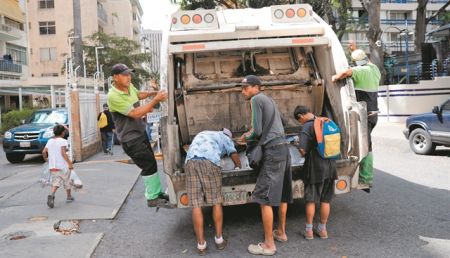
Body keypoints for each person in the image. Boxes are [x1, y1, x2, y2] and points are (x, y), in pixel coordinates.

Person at [237, 75, 292, 256]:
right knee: (283, 193)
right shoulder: (269, 100)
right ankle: (281, 233)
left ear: (255, 87)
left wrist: (245, 136)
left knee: (263, 197)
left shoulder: (255, 100)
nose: (243, 91)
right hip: (284, 147)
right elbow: (283, 122)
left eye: (245, 88)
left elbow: (257, 131)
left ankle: (269, 245)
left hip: (273, 150)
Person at [107, 63, 169, 207]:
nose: (128, 77)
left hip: (139, 133)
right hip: (130, 138)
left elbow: (139, 94)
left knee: (151, 163)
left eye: (129, 74)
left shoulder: (129, 87)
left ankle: (157, 193)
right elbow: (135, 114)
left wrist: (154, 93)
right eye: (124, 75)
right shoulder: (113, 96)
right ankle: (152, 198)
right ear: (115, 77)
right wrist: (156, 100)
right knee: (148, 165)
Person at [185, 129, 241, 255]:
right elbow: (234, 154)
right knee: (216, 202)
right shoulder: (226, 138)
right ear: (229, 136)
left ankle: (201, 245)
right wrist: (238, 166)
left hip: (190, 162)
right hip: (209, 162)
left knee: (196, 204)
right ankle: (219, 239)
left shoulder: (203, 133)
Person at [331, 49, 381, 186]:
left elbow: (346, 73)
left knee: (365, 145)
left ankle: (366, 178)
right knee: (366, 144)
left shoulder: (360, 71)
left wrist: (335, 77)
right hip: (374, 113)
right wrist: (355, 49)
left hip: (365, 115)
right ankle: (363, 174)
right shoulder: (374, 68)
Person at [293, 105, 337, 240]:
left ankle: (309, 231)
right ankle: (323, 230)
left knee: (311, 199)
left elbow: (303, 151)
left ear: (301, 116)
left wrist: (297, 145)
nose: (300, 122)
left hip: (316, 168)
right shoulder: (325, 121)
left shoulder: (307, 126)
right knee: (325, 200)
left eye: (299, 120)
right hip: (331, 165)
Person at [42, 124, 74, 208]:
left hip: (53, 166)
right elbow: (63, 152)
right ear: (63, 133)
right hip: (63, 166)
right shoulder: (63, 141)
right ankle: (69, 196)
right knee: (67, 180)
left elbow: (44, 152)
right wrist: (70, 163)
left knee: (56, 182)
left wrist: (47, 160)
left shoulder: (50, 141)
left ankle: (51, 195)